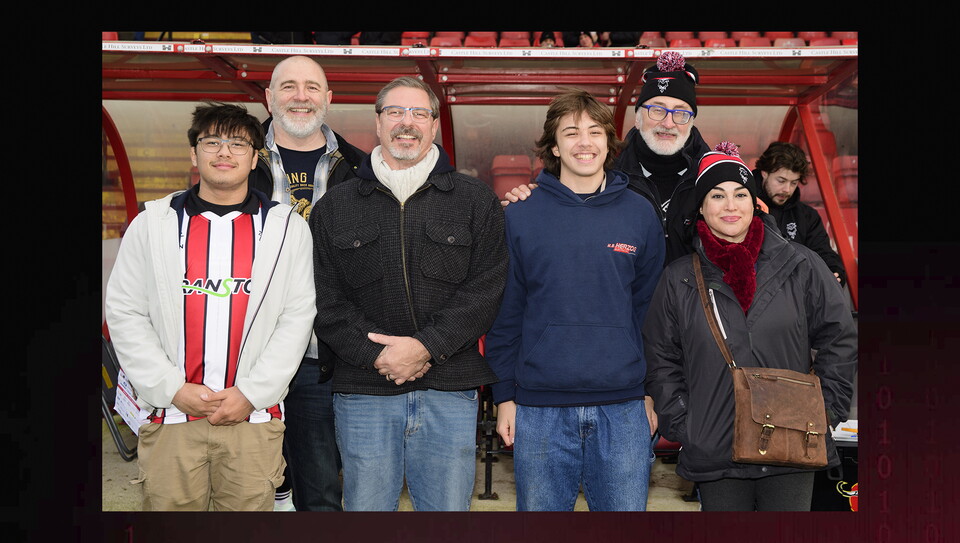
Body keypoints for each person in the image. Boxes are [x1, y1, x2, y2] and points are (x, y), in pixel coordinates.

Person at [309, 76, 509, 511]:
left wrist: (426, 347)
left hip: (450, 389)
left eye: (419, 113)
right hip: (364, 390)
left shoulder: (476, 201)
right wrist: (378, 354)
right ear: (377, 124)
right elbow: (323, 297)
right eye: (395, 112)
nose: (407, 123)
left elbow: (486, 288)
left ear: (435, 126)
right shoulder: (334, 207)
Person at [104, 103, 316, 511]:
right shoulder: (153, 223)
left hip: (252, 419)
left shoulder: (287, 227)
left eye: (238, 143)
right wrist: (171, 389)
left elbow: (297, 318)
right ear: (193, 153)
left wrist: (251, 394)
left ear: (256, 158)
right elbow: (126, 312)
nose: (224, 152)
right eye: (212, 141)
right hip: (171, 418)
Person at [642, 142, 857, 511]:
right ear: (701, 208)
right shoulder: (678, 279)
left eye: (740, 194)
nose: (730, 205)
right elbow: (661, 356)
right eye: (717, 195)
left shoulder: (801, 264)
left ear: (754, 202)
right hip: (715, 448)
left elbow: (840, 336)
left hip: (791, 445)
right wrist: (683, 422)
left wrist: (825, 410)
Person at [484, 90, 664, 511]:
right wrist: (504, 395)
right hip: (539, 409)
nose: (584, 142)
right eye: (571, 132)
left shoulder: (640, 214)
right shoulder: (520, 215)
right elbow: (505, 313)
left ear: (609, 142)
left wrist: (650, 393)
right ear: (554, 146)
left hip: (623, 409)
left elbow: (653, 316)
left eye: (594, 132)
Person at [249, 55, 368, 512]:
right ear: (269, 97)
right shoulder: (235, 160)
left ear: (329, 99)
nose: (301, 97)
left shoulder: (361, 168)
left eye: (312, 87)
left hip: (321, 357)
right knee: (248, 491)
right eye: (289, 86)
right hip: (246, 355)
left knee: (319, 491)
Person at [503, 51, 710, 265]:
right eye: (657, 110)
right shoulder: (609, 171)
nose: (668, 123)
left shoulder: (715, 176)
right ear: (637, 119)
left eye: (681, 113)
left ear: (692, 120)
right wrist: (533, 196)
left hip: (697, 296)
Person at [753, 141, 847, 285]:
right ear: (764, 172)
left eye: (794, 183)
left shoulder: (806, 216)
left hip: (796, 295)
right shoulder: (743, 205)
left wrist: (834, 271)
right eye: (781, 180)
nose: (787, 189)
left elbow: (822, 253)